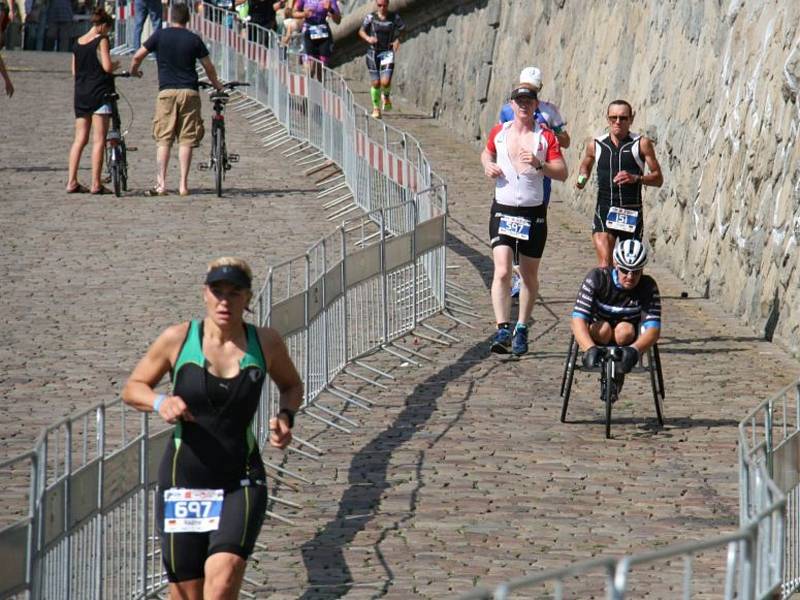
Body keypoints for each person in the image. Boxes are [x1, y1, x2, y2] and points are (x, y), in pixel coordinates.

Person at [122, 257, 303, 600]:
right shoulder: (177, 338)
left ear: (248, 299)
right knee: (187, 593)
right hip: (184, 482)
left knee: (223, 580)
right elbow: (133, 388)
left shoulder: (266, 343)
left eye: (235, 293)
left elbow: (292, 385)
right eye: (217, 291)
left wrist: (286, 417)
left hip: (241, 478)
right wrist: (162, 402)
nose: (225, 301)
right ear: (204, 294)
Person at [481, 82, 568, 356]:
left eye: (528, 100)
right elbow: (486, 151)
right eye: (519, 100)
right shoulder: (500, 132)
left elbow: (562, 172)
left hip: (533, 213)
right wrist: (487, 165)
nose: (523, 105)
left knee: (529, 275)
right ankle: (502, 327)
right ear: (511, 104)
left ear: (535, 105)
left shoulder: (545, 137)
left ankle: (521, 328)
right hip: (503, 209)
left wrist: (539, 164)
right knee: (503, 271)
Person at [129, 2, 223, 197]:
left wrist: (134, 71)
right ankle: (183, 185)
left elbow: (137, 56)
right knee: (186, 140)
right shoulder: (194, 39)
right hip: (189, 91)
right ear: (188, 19)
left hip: (167, 92)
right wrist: (217, 85)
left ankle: (161, 184)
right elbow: (209, 67)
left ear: (171, 17)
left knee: (164, 139)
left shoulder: (160, 35)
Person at [498, 67, 570, 299]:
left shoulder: (550, 111)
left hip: (539, 179)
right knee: (511, 222)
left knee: (529, 225)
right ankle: (516, 274)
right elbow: (499, 136)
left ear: (538, 91)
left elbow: (566, 141)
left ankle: (522, 275)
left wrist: (548, 133)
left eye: (531, 91)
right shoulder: (507, 110)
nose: (525, 96)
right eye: (522, 90)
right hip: (512, 178)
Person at [575, 99, 664, 267]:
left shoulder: (641, 144)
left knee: (629, 265)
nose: (617, 122)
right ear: (607, 119)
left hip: (631, 213)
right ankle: (607, 292)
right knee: (604, 263)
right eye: (613, 117)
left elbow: (658, 178)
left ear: (631, 119)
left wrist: (636, 178)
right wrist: (581, 180)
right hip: (605, 210)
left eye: (623, 118)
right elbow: (585, 166)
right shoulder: (596, 144)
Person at [571, 239, 661, 398]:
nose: (630, 276)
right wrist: (589, 348)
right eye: (625, 270)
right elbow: (578, 320)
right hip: (600, 329)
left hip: (626, 334)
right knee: (604, 329)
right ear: (616, 265)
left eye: (636, 271)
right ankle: (606, 371)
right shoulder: (597, 278)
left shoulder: (648, 286)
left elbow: (653, 330)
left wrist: (635, 349)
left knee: (624, 332)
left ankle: (617, 375)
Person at [66, 8, 117, 194]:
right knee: (99, 140)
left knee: (79, 139)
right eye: (108, 29)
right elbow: (107, 66)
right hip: (98, 93)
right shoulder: (101, 40)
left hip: (80, 94)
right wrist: (115, 66)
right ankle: (96, 183)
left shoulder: (77, 43)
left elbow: (74, 71)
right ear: (103, 26)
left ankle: (71, 180)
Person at [358, 0, 403, 120]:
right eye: (379, 5)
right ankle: (376, 109)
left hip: (387, 52)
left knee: (386, 82)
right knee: (376, 83)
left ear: (388, 4)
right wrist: (368, 38)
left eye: (384, 5)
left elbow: (403, 29)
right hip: (373, 52)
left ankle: (386, 96)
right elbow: (361, 31)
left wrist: (398, 40)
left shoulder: (394, 17)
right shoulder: (370, 17)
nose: (382, 8)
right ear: (376, 5)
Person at [293, 0, 340, 78]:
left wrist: (330, 10)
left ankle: (319, 89)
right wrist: (304, 14)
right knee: (309, 70)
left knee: (321, 71)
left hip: (323, 33)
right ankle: (308, 89)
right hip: (308, 32)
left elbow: (338, 21)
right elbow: (293, 13)